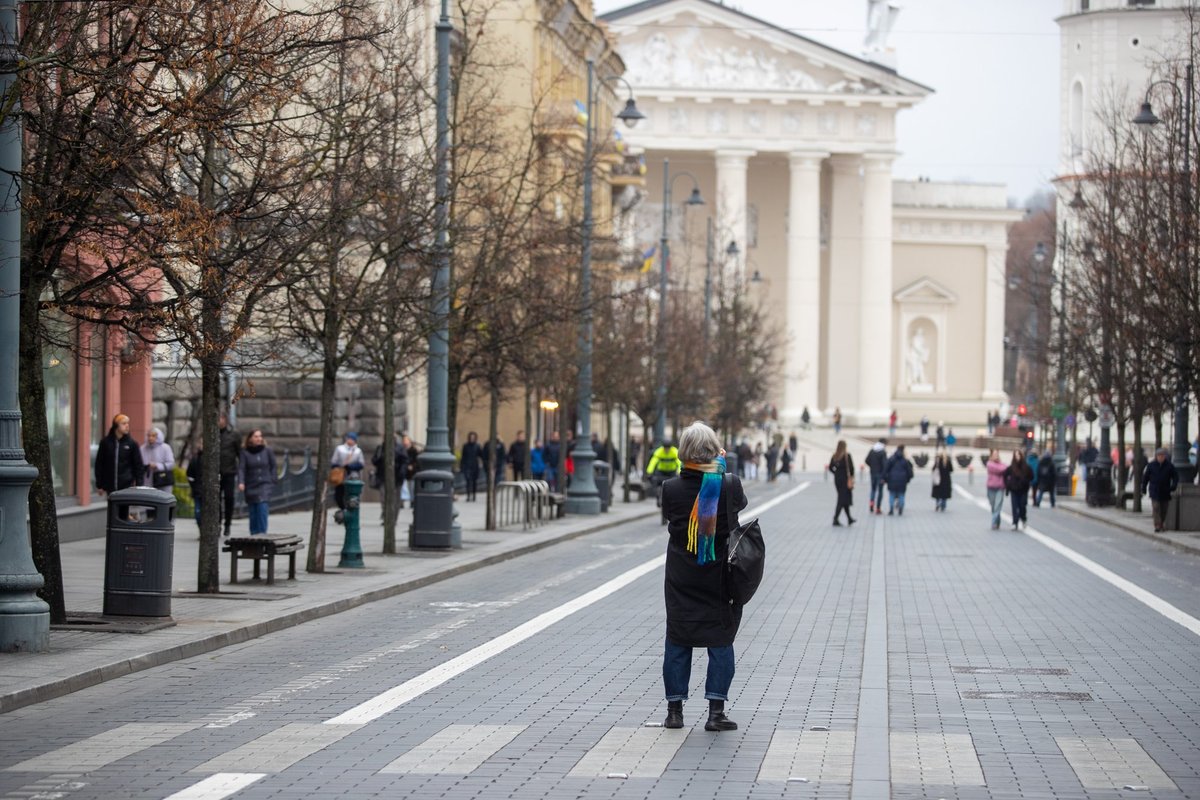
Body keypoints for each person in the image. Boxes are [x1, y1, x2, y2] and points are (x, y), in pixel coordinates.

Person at [659, 421, 747, 732]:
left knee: (678, 639)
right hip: (716, 575)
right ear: (714, 451)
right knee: (720, 640)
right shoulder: (729, 484)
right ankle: (715, 712)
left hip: (681, 576)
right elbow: (737, 512)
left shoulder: (670, 489)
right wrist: (719, 468)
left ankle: (674, 712)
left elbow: (671, 514)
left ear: (683, 453)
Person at [237, 429, 277, 535]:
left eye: (260, 436)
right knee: (253, 512)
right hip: (251, 485)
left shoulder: (267, 451)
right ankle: (254, 535)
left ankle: (262, 534)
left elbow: (273, 466)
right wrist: (241, 482)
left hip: (264, 484)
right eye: (256, 436)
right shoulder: (245, 453)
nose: (259, 438)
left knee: (262, 508)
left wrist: (273, 479)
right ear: (250, 439)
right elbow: (241, 468)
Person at [95, 414, 144, 495]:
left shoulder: (132, 444)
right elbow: (99, 464)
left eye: (128, 423)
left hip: (126, 486)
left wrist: (139, 485)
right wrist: (99, 485)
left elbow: (138, 465)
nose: (127, 426)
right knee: (112, 507)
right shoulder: (106, 443)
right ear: (116, 425)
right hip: (110, 486)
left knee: (124, 507)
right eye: (124, 423)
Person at [1142, 448, 1180, 532]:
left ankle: (1161, 523)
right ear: (1156, 456)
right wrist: (1143, 488)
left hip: (1165, 490)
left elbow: (1175, 476)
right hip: (1154, 490)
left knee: (1164, 509)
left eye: (1162, 456)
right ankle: (1157, 525)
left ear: (1165, 457)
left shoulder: (1169, 466)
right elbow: (1145, 478)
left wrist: (1173, 485)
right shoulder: (1151, 465)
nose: (1161, 457)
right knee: (1156, 507)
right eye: (1159, 456)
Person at [331, 432, 364, 524]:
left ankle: (349, 512)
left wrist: (351, 466)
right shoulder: (340, 449)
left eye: (352, 439)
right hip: (341, 476)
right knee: (339, 495)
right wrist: (341, 466)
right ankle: (343, 510)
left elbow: (361, 464)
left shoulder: (358, 451)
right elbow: (333, 462)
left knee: (350, 495)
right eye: (349, 438)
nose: (350, 440)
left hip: (353, 476)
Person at [217, 414, 241, 538]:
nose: (219, 421)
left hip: (229, 472)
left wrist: (241, 472)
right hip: (215, 473)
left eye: (221, 418)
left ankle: (228, 524)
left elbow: (239, 453)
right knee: (216, 501)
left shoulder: (234, 435)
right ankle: (217, 524)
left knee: (229, 498)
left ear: (225, 420)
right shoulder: (213, 434)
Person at [372, 434, 409, 507]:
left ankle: (393, 515)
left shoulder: (400, 448)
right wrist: (379, 459)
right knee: (383, 495)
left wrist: (402, 471)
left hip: (397, 476)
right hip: (382, 476)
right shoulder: (380, 448)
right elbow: (374, 460)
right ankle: (385, 511)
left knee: (396, 497)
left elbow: (405, 461)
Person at [645, 439, 682, 508]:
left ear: (670, 447)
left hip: (672, 471)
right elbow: (653, 462)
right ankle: (658, 496)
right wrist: (649, 472)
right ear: (663, 447)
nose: (666, 450)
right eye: (665, 448)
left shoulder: (675, 452)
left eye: (668, 448)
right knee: (657, 483)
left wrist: (679, 472)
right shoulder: (659, 451)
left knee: (674, 485)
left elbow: (679, 462)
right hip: (661, 471)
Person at [1003, 450, 1033, 529]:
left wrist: (1026, 482)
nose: (1017, 457)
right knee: (1014, 506)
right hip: (1014, 490)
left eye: (1018, 455)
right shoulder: (1011, 467)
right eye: (1016, 456)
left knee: (1022, 506)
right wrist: (1008, 484)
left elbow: (1031, 476)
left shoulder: (1026, 467)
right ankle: (1015, 522)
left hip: (1023, 490)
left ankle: (1023, 519)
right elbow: (1005, 475)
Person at [829, 440, 855, 526]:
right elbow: (851, 468)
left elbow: (830, 467)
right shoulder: (847, 456)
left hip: (837, 480)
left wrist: (836, 473)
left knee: (844, 498)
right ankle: (835, 518)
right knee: (841, 499)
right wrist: (851, 477)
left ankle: (849, 518)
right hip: (845, 480)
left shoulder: (835, 456)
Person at [883, 444, 914, 515]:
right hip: (902, 480)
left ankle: (891, 509)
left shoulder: (891, 459)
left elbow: (886, 469)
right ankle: (900, 508)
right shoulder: (905, 460)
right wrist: (908, 479)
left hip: (892, 479)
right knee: (901, 495)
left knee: (892, 494)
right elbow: (909, 471)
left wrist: (884, 478)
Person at [985, 449, 1007, 530]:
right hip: (990, 488)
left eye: (997, 454)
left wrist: (1002, 467)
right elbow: (999, 469)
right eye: (994, 454)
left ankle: (993, 522)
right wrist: (1002, 468)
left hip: (1000, 488)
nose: (996, 456)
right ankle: (997, 521)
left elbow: (1005, 468)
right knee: (993, 506)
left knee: (998, 505)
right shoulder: (989, 464)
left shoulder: (1002, 464)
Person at [865, 438, 887, 515]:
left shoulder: (872, 450)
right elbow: (885, 465)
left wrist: (872, 466)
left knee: (873, 490)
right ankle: (878, 508)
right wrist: (884, 476)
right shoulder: (883, 452)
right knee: (880, 491)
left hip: (872, 473)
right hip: (880, 474)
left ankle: (871, 503)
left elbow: (866, 460)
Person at [460, 432, 482, 501]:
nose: (472, 438)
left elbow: (481, 455)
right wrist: (462, 466)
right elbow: (463, 457)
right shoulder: (465, 446)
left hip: (475, 466)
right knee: (468, 481)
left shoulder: (477, 446)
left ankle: (474, 496)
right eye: (471, 437)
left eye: (473, 437)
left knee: (474, 482)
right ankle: (468, 496)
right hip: (467, 466)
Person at [186, 445, 203, 530]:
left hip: (207, 492)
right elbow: (189, 474)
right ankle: (201, 530)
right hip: (197, 490)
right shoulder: (195, 459)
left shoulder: (213, 460)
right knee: (198, 512)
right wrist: (194, 485)